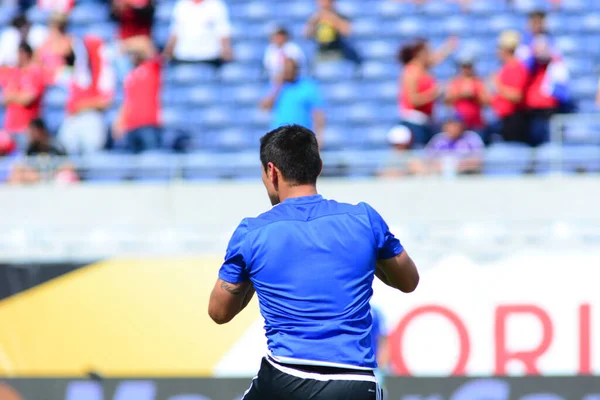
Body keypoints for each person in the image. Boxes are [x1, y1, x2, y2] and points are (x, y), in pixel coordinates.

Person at [208, 124, 419, 399]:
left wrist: (252, 272)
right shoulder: (364, 220)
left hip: (285, 378)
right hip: (355, 382)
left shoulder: (252, 233)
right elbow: (409, 281)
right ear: (318, 166)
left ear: (272, 171)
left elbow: (219, 312)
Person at [57, 35, 115, 155]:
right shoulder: (76, 73)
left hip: (91, 117)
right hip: (73, 119)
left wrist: (81, 106)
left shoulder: (102, 72)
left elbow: (105, 101)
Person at [398, 37, 457, 147]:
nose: (430, 54)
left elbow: (436, 59)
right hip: (415, 122)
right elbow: (413, 100)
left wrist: (448, 47)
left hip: (427, 121)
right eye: (427, 51)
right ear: (419, 54)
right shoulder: (411, 72)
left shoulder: (424, 69)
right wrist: (435, 93)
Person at [112, 37, 162, 153]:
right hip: (130, 127)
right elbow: (128, 101)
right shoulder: (130, 75)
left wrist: (123, 46)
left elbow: (146, 44)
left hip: (149, 124)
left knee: (151, 162)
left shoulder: (152, 67)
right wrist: (119, 122)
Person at [260, 58, 326, 146]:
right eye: (285, 69)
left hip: (302, 138)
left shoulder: (308, 86)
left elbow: (318, 113)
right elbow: (265, 107)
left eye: (290, 69)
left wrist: (319, 137)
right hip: (279, 138)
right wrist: (278, 85)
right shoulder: (274, 86)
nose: (287, 72)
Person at [524, 36, 571, 146]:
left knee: (550, 143)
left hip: (550, 112)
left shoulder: (556, 66)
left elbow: (562, 91)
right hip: (533, 112)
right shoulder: (532, 66)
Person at [2, 43, 46, 151]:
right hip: (10, 127)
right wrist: (18, 96)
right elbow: (5, 97)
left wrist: (14, 97)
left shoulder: (35, 73)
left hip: (27, 128)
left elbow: (29, 98)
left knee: (24, 160)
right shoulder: (14, 73)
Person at [163, 0, 233, 67]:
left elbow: (223, 31)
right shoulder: (182, 5)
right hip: (184, 56)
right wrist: (168, 52)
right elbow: (175, 31)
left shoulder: (216, 5)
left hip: (209, 57)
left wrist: (226, 50)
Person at [409, 114, 484, 175]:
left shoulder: (471, 138)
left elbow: (478, 161)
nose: (452, 128)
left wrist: (453, 166)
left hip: (465, 176)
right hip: (440, 175)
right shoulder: (439, 139)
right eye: (449, 124)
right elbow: (428, 158)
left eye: (455, 125)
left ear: (462, 126)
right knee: (414, 163)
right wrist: (444, 166)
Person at [491, 31, 529, 144]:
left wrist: (497, 86)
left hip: (514, 119)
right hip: (505, 118)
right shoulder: (506, 67)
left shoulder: (516, 67)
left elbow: (516, 95)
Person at [304, 0, 361, 68]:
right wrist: (314, 22)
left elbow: (348, 32)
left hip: (337, 53)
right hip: (321, 53)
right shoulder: (315, 17)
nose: (323, 3)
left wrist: (330, 17)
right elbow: (306, 35)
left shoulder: (339, 15)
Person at [445, 54, 488, 133]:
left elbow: (486, 102)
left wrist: (474, 97)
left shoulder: (478, 82)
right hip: (459, 124)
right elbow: (447, 101)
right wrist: (460, 95)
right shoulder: (455, 82)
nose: (466, 69)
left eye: (469, 66)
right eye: (464, 66)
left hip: (476, 123)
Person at [35, 13, 73, 84]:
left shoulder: (69, 40)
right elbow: (37, 60)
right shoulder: (44, 41)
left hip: (61, 76)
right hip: (46, 75)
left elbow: (66, 53)